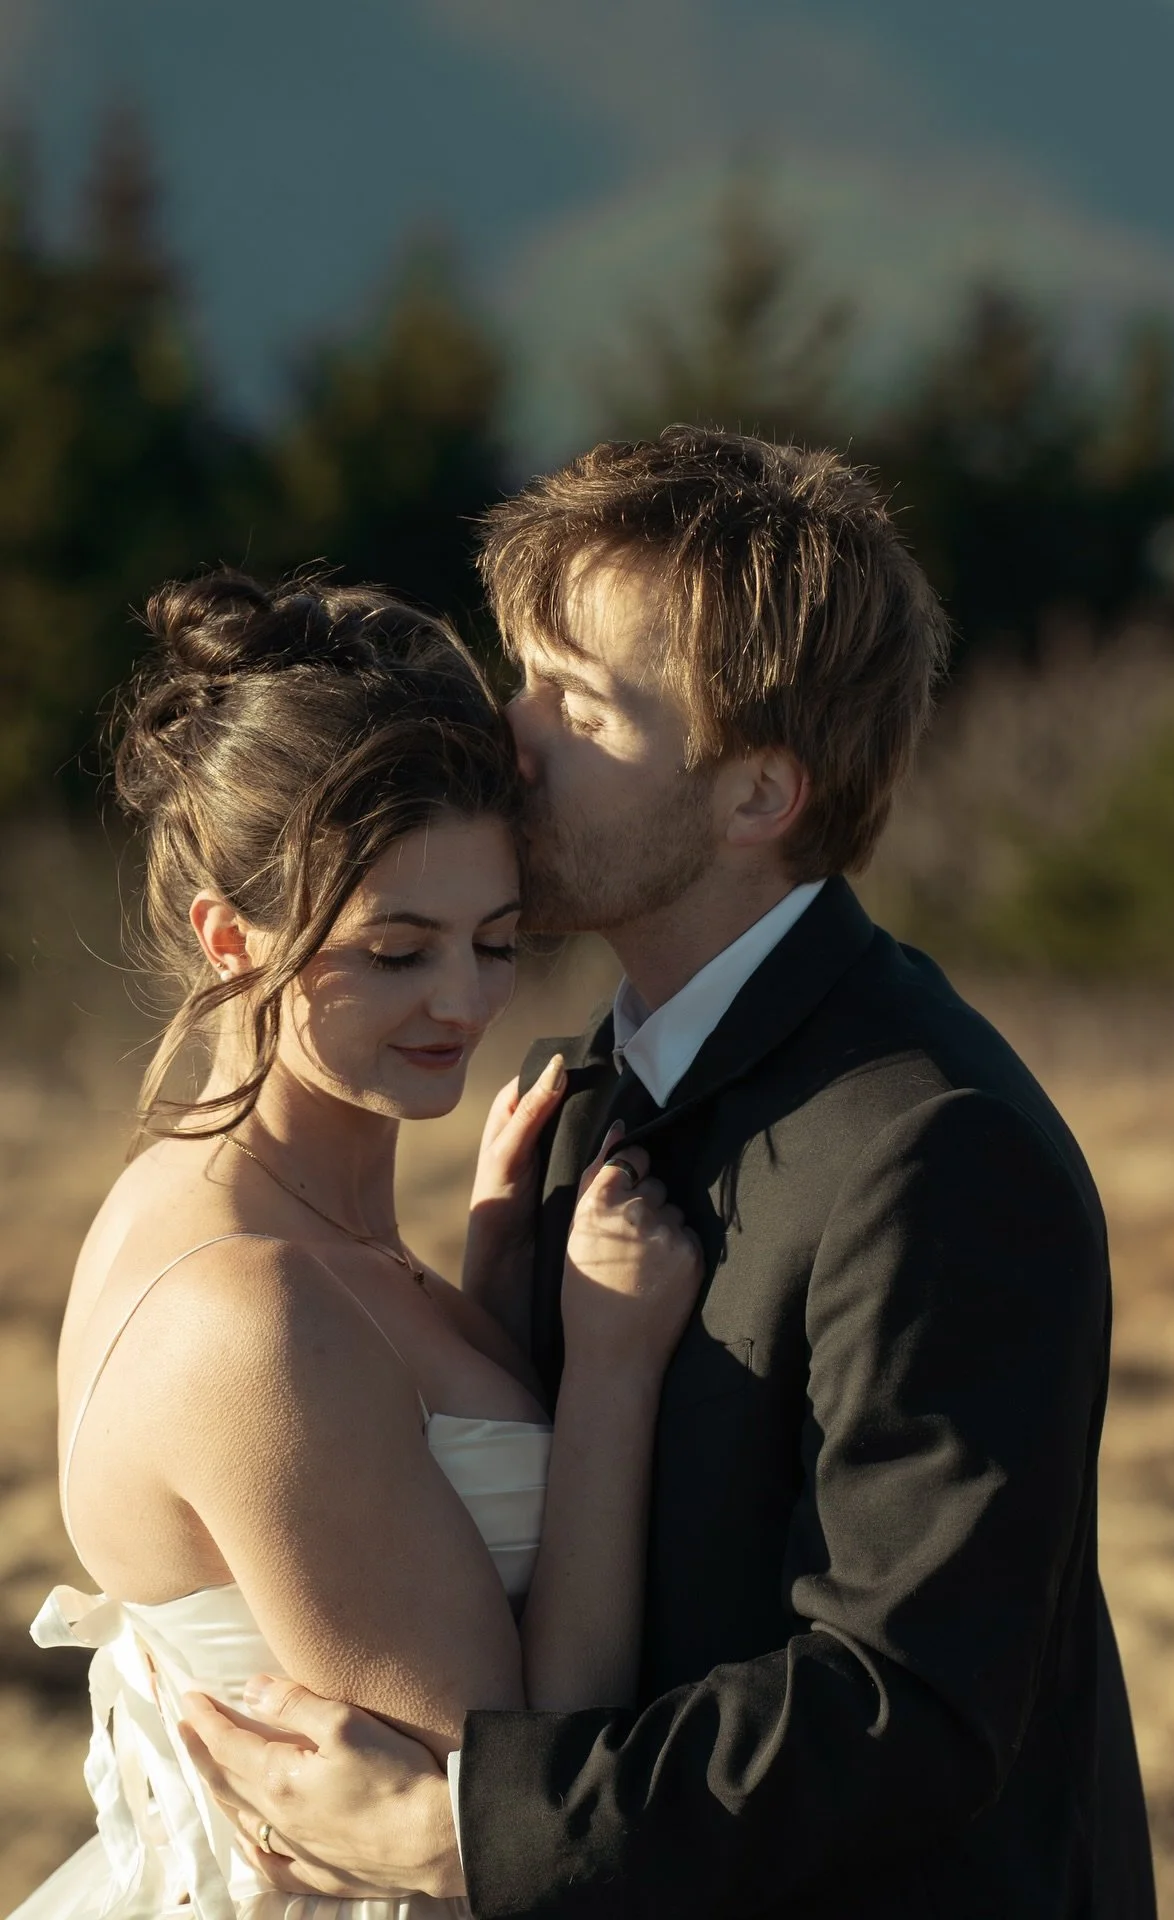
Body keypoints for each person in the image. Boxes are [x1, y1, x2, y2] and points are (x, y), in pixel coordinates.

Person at [183, 429, 1158, 1918]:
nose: (510, 736)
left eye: (575, 700)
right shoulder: (584, 1088)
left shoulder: (937, 1152)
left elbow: (909, 1708)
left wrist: (471, 1830)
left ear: (755, 795)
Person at [15, 572, 702, 1920]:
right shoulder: (248, 1316)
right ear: (231, 938)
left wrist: (492, 1301)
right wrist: (614, 1371)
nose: (465, 1001)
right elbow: (520, 1804)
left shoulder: (243, 1209)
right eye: (396, 953)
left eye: (495, 942)